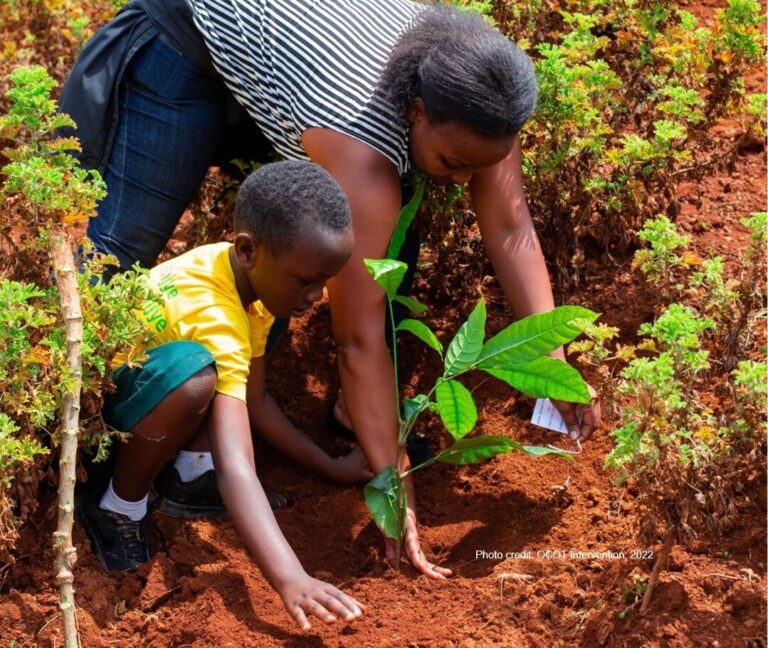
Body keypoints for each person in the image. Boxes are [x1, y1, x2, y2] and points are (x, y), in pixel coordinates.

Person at [62, 0, 601, 580]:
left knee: (379, 234)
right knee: (109, 267)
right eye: (452, 161)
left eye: (478, 166)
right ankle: (86, 463)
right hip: (185, 37)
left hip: (292, 62)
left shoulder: (483, 101)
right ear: (416, 111)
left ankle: (327, 426)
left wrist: (554, 359)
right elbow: (357, 339)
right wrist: (397, 488)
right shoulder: (362, 146)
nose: (464, 181)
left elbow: (510, 224)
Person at [76, 160, 368, 630]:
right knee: (195, 378)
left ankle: (188, 476)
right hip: (97, 433)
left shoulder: (241, 271)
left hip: (137, 404)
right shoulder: (216, 317)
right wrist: (290, 577)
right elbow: (236, 464)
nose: (317, 296)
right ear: (249, 249)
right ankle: (116, 506)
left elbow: (254, 403)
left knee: (210, 368)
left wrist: (329, 467)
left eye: (324, 281)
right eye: (306, 280)